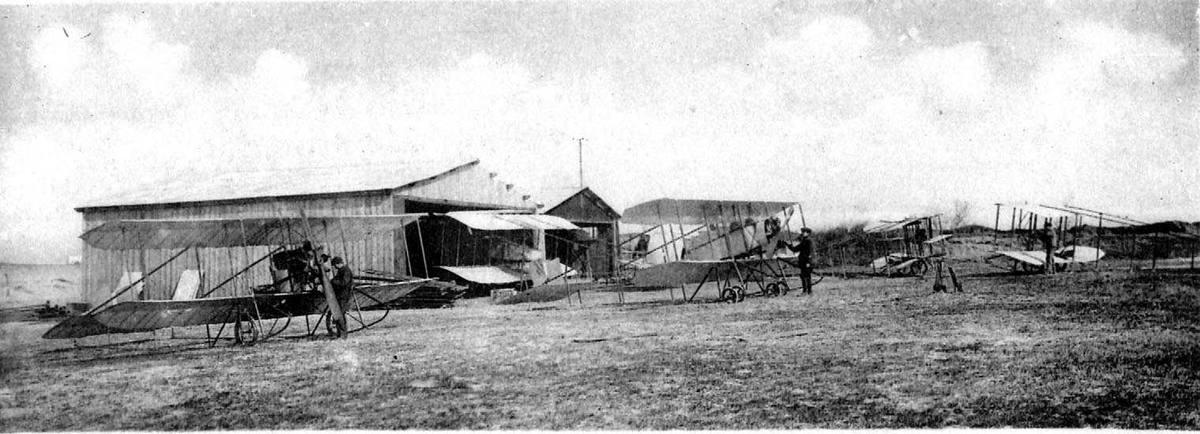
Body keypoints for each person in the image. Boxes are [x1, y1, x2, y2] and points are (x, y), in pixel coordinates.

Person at [781, 227, 815, 294]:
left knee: (805, 276)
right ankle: (808, 292)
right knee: (805, 276)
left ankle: (806, 292)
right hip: (804, 262)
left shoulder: (809, 241)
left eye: (804, 232)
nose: (802, 233)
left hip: (807, 262)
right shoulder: (804, 241)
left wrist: (808, 262)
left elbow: (811, 252)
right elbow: (795, 249)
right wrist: (788, 245)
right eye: (802, 232)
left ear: (808, 233)